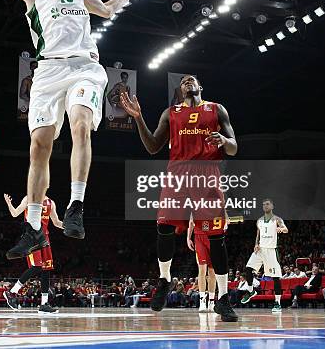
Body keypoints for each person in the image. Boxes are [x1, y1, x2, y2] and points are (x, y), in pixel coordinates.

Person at [0, 0, 132, 258]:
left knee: (80, 125)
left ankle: (76, 206)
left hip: (84, 67)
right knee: (39, 146)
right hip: (47, 72)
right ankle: (34, 229)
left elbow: (106, 11)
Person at [120, 74, 239, 322]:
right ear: (180, 90)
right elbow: (153, 146)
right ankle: (164, 279)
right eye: (183, 81)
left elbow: (234, 147)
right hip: (178, 174)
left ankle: (224, 299)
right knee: (164, 226)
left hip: (207, 176)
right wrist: (139, 118)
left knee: (216, 237)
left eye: (192, 79)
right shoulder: (170, 113)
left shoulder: (217, 109)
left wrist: (225, 140)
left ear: (200, 86)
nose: (187, 82)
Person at [3, 193, 64, 314]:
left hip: (45, 239)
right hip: (32, 238)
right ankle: (12, 292)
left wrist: (70, 226)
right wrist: (9, 204)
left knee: (46, 270)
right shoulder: (29, 198)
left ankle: (44, 304)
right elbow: (15, 213)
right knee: (36, 267)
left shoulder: (51, 202)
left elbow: (56, 222)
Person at [241, 198, 288, 313]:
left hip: (271, 250)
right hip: (260, 249)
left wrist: (281, 229)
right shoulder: (259, 220)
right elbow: (258, 234)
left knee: (275, 277)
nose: (265, 206)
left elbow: (286, 229)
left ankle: (277, 303)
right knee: (248, 269)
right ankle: (251, 291)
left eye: (267, 204)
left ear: (272, 206)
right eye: (263, 205)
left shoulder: (277, 219)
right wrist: (256, 244)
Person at [187, 215, 218, 313]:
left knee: (212, 272)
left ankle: (212, 302)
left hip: (213, 237)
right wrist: (188, 238)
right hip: (199, 237)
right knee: (202, 271)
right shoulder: (196, 203)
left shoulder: (216, 203)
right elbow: (191, 221)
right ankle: (202, 302)